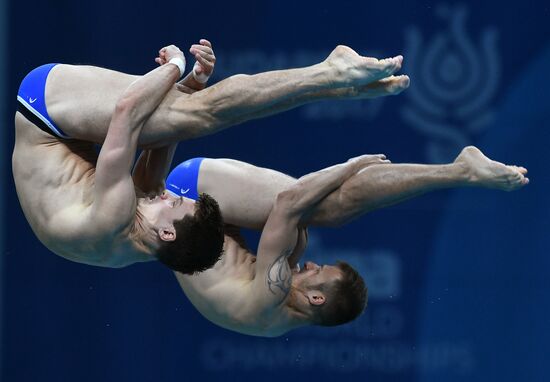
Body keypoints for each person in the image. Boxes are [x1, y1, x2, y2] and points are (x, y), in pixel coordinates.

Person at [13, 41, 409, 273]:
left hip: (45, 108)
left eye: (174, 202)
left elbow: (127, 113)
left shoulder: (113, 218)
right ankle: (334, 87)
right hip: (65, 133)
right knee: (192, 114)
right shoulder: (144, 239)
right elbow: (159, 146)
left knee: (197, 116)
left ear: (167, 233)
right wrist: (192, 86)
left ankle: (332, 75)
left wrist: (174, 67)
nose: (168, 195)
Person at [143, 146, 527, 337]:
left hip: (186, 192)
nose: (310, 265)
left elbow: (287, 203)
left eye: (317, 271)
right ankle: (457, 171)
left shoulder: (272, 294)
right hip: (201, 222)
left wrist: (349, 165)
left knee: (330, 206)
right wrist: (293, 240)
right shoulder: (274, 319)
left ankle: (459, 170)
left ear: (317, 298)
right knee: (313, 216)